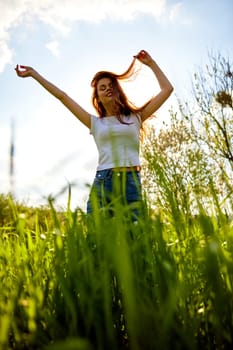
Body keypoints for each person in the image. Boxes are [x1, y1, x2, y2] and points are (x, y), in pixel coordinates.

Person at [15, 50, 173, 221]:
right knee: (96, 241)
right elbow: (62, 96)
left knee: (135, 239)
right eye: (102, 88)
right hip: (104, 181)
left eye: (111, 86)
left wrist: (151, 64)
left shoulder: (136, 117)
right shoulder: (95, 123)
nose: (107, 90)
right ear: (97, 97)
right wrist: (34, 74)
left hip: (131, 182)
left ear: (118, 90)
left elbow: (167, 89)